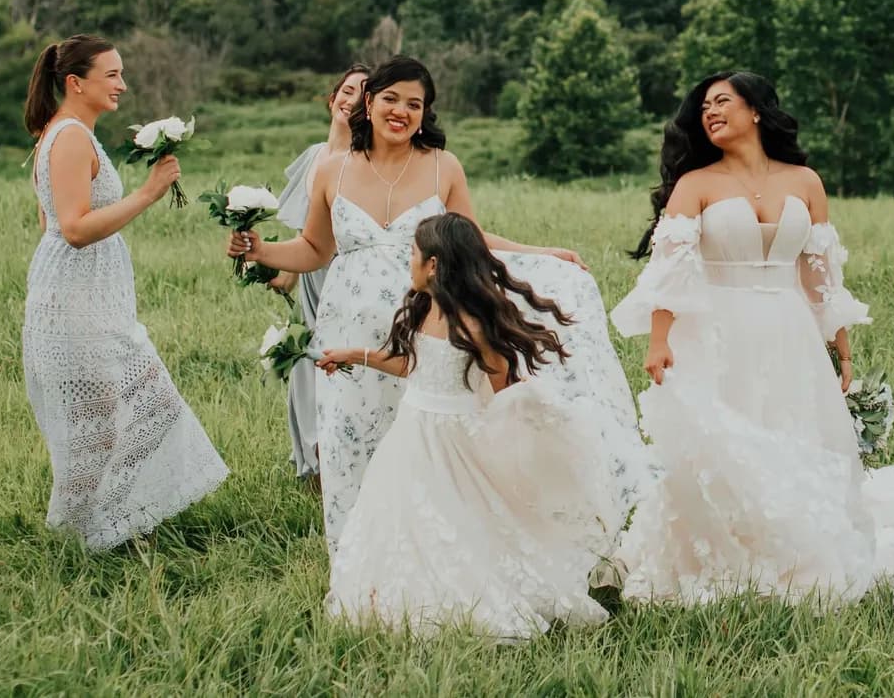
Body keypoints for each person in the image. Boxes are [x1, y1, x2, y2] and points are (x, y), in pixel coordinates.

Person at [229, 56, 645, 556]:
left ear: (426, 114)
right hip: (350, 324)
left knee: (428, 437)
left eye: (415, 104)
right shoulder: (331, 169)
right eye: (391, 99)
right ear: (368, 101)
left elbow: (471, 240)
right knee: (353, 435)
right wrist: (259, 250)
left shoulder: (441, 166)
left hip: (426, 324)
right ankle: (363, 555)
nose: (401, 111)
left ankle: (439, 552)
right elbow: (315, 249)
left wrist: (541, 254)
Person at [611, 71, 894, 605]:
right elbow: (671, 273)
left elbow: (819, 274)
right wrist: (659, 339)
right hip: (716, 331)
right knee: (726, 441)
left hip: (789, 332)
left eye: (723, 102)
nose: (710, 113)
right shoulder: (696, 184)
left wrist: (840, 343)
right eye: (704, 107)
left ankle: (799, 551)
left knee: (792, 437)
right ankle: (724, 554)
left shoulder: (805, 181)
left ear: (756, 111)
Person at [318, 213, 621, 638]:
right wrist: (354, 354)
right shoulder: (423, 309)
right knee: (402, 516)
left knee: (459, 520)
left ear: (434, 265)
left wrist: (518, 442)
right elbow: (416, 366)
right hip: (411, 435)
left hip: (455, 440)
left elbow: (504, 391)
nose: (408, 261)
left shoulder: (476, 325)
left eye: (412, 253)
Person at [22, 36, 227, 550]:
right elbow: (70, 227)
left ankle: (114, 529)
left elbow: (48, 218)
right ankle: (115, 528)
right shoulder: (69, 137)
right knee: (144, 408)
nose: (122, 85)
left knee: (107, 419)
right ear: (76, 82)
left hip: (84, 295)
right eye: (111, 75)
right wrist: (148, 192)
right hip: (76, 301)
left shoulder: (66, 134)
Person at [266, 64, 369, 482]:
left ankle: (342, 462)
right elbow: (304, 231)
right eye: (346, 90)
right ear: (332, 98)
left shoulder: (363, 163)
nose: (351, 100)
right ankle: (313, 466)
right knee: (304, 369)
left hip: (342, 279)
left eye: (363, 96)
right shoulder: (315, 156)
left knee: (335, 366)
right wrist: (272, 268)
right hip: (310, 276)